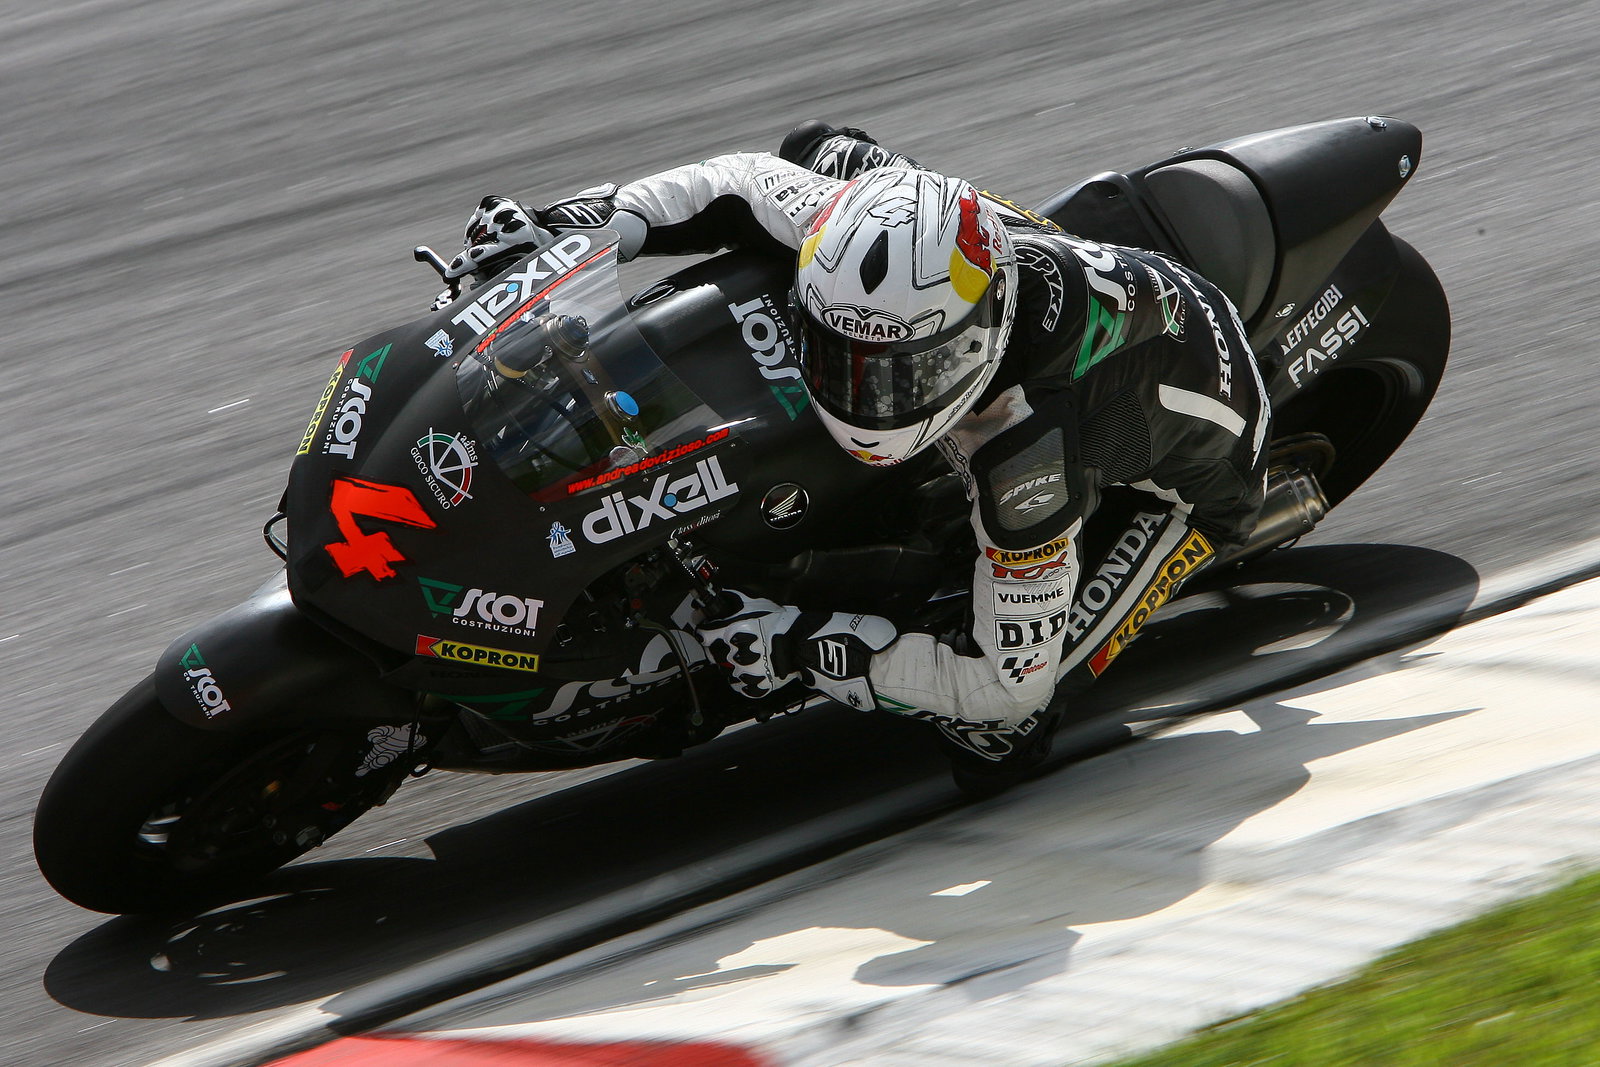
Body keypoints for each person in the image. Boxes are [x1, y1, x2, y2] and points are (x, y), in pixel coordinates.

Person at [440, 123, 1270, 795]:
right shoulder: (841, 225)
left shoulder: (1024, 448)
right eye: (841, 354)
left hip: (1203, 468)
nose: (863, 392)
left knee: (999, 728)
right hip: (1052, 264)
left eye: (901, 374)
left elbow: (1004, 680)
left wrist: (804, 645)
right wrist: (573, 226)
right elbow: (734, 180)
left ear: (972, 346)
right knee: (815, 145)